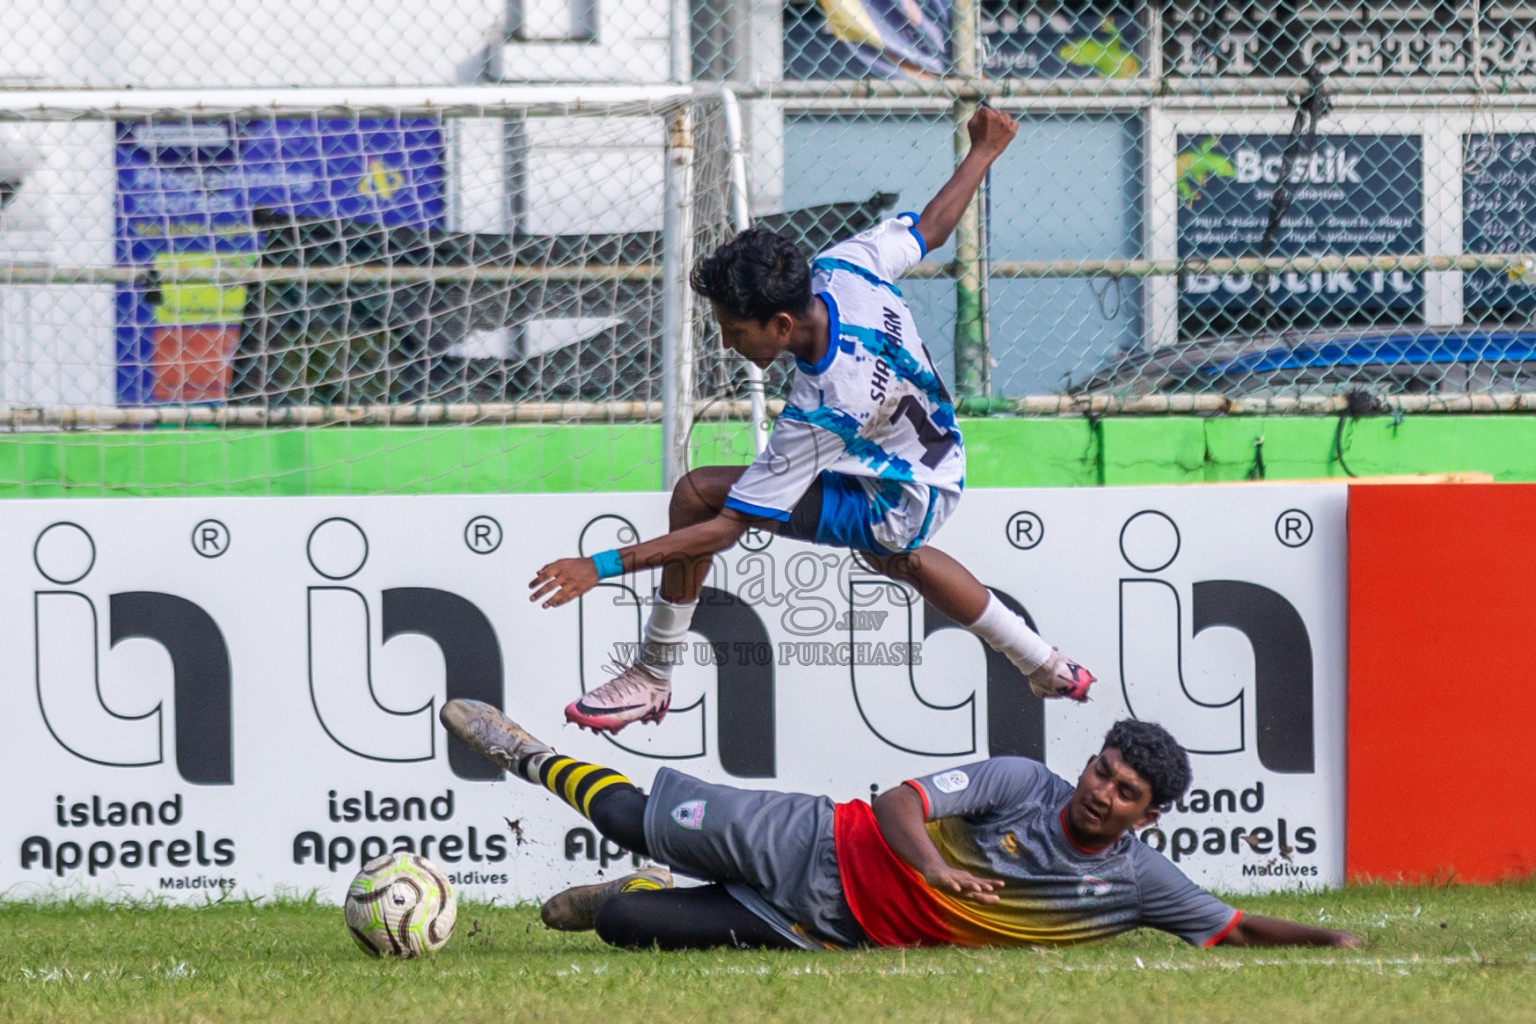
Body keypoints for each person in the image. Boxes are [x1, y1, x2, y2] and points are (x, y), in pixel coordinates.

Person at [529, 105, 1094, 735]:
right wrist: (984, 151)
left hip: (897, 493)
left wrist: (599, 567)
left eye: (732, 330)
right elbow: (930, 229)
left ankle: (651, 675)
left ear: (782, 326)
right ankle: (1043, 662)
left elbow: (724, 530)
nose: (725, 343)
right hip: (930, 456)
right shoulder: (843, 267)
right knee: (900, 560)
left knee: (699, 497)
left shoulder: (827, 406)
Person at [440, 698, 1361, 952]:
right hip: (814, 842)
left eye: (1124, 794)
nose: (1101, 792)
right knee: (641, 818)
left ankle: (636, 899)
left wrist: (1331, 936)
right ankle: (525, 752)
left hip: (821, 929)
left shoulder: (1135, 885)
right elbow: (897, 802)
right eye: (1102, 770)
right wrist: (936, 870)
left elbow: (1233, 925)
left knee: (622, 924)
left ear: (1147, 817)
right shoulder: (1021, 782)